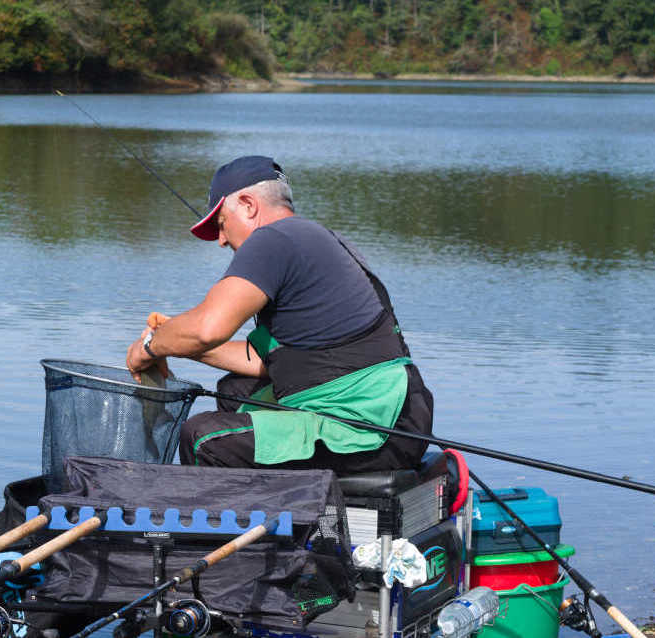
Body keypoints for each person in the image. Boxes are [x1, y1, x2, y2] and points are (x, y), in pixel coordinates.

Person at [126, 156, 432, 475]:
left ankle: (236, 521)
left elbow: (207, 328)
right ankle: (270, 508)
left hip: (372, 426)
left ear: (247, 204)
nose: (221, 241)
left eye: (220, 225)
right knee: (236, 392)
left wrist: (148, 347)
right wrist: (177, 343)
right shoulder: (312, 237)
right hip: (406, 415)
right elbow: (268, 359)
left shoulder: (273, 239)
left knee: (202, 438)